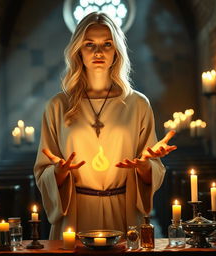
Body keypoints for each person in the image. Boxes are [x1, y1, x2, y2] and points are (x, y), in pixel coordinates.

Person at [34, 12, 177, 240]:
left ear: (117, 51)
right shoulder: (58, 105)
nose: (98, 52)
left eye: (107, 44)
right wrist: (59, 173)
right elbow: (42, 171)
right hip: (75, 216)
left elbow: (154, 167)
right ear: (78, 50)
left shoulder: (137, 104)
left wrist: (143, 167)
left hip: (124, 214)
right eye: (89, 44)